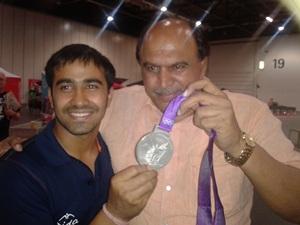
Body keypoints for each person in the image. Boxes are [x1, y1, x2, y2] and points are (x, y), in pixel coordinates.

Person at [100, 17, 300, 224]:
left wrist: (237, 143)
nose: (163, 82)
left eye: (178, 67)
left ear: (203, 66)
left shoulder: (250, 113)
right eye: (151, 68)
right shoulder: (115, 105)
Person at [0, 44, 157, 225]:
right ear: (51, 96)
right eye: (66, 87)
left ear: (109, 96)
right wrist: (114, 214)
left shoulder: (109, 147)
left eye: (91, 86)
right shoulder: (18, 175)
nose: (79, 100)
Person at [0, 72, 21, 141]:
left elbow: (18, 116)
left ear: (5, 82)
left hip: (3, 136)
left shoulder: (9, 96)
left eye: (1, 79)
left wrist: (13, 113)